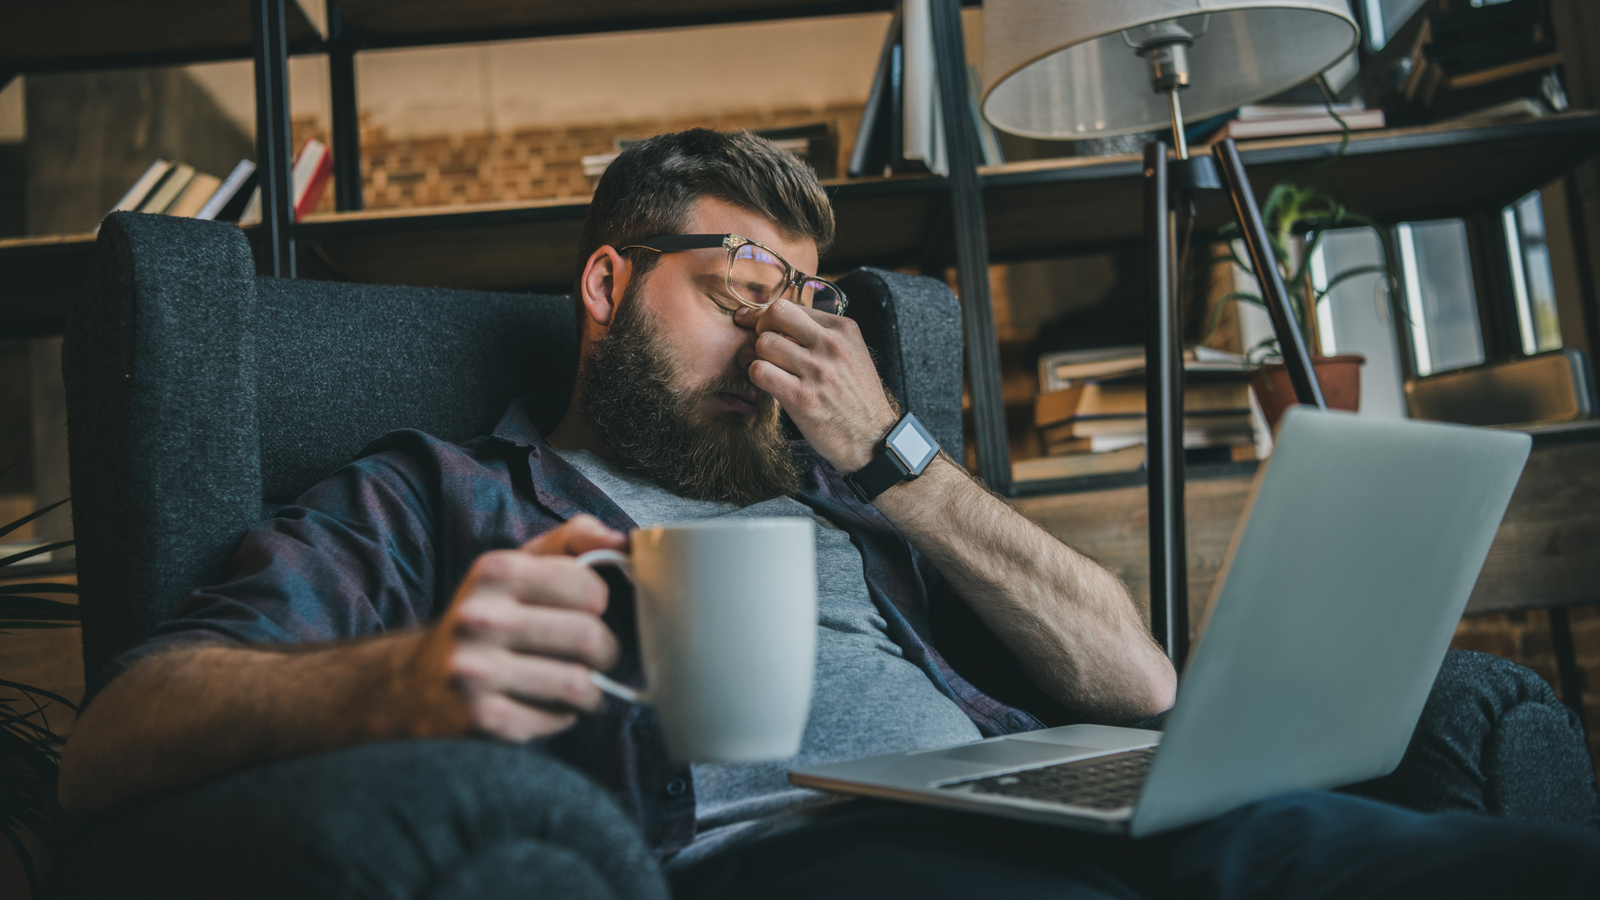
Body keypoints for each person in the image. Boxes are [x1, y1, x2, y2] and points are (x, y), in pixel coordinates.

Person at [54, 129, 1599, 899]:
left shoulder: (863, 500)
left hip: (1075, 818)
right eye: (743, 294)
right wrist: (401, 678)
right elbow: (115, 733)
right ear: (608, 287)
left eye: (811, 303)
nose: (785, 339)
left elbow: (1143, 693)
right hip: (797, 857)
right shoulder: (437, 498)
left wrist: (902, 466)